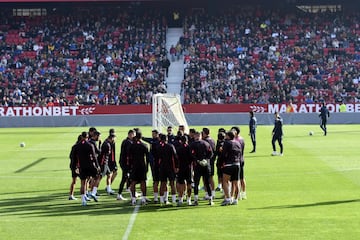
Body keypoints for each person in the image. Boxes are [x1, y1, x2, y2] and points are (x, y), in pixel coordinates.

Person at [189, 131, 214, 206]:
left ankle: (196, 200)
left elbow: (191, 154)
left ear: (195, 136)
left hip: (197, 166)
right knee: (207, 182)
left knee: (196, 183)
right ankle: (210, 199)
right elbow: (211, 153)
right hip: (206, 166)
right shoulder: (206, 143)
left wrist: (197, 160)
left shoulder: (192, 144)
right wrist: (206, 160)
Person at [75, 132, 100, 206]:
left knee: (83, 183)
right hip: (90, 165)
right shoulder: (90, 145)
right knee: (98, 177)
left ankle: (83, 200)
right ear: (87, 137)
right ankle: (93, 192)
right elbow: (94, 156)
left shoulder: (76, 146)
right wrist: (97, 165)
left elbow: (73, 157)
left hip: (81, 166)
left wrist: (75, 167)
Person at [221, 131, 242, 206]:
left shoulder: (227, 143)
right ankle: (236, 199)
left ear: (228, 136)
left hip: (229, 164)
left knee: (225, 181)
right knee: (236, 183)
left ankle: (228, 198)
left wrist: (222, 161)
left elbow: (223, 154)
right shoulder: (238, 143)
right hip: (237, 164)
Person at [128, 130, 149, 206]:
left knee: (133, 182)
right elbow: (148, 158)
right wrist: (147, 167)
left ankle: (133, 199)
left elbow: (129, 157)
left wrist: (129, 166)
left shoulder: (132, 145)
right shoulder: (145, 145)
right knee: (143, 182)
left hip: (134, 166)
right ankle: (143, 199)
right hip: (142, 166)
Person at [158, 134, 178, 205]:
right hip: (170, 168)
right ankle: (174, 201)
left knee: (162, 184)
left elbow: (157, 158)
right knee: (172, 184)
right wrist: (176, 167)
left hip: (162, 167)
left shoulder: (159, 147)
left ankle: (161, 201)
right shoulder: (170, 146)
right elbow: (175, 157)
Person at [142, 129, 161, 203]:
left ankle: (160, 197)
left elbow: (148, 140)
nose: (152, 135)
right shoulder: (153, 140)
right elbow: (146, 139)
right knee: (155, 179)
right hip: (152, 161)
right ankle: (158, 197)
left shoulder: (156, 142)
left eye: (154, 134)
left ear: (157, 134)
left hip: (156, 162)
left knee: (159, 180)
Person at [117, 129, 135, 201]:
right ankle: (119, 194)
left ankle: (131, 192)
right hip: (126, 163)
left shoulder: (125, 141)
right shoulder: (129, 143)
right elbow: (128, 154)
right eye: (134, 135)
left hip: (123, 162)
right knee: (125, 178)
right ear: (130, 135)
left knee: (127, 178)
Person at [174, 135, 192, 206]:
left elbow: (176, 159)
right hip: (188, 167)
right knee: (189, 184)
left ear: (180, 141)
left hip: (181, 168)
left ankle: (181, 199)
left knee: (181, 183)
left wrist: (176, 167)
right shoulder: (190, 148)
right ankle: (189, 200)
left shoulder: (178, 149)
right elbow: (192, 158)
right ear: (187, 140)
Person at [231, 126, 246, 200]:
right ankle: (243, 193)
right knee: (242, 177)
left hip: (237, 160)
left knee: (237, 179)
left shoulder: (236, 140)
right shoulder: (242, 139)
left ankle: (238, 194)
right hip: (242, 159)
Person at [68, 133, 85, 200]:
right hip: (77, 166)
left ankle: (71, 195)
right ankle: (83, 195)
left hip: (75, 166)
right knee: (82, 181)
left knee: (75, 181)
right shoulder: (78, 147)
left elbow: (70, 156)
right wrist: (76, 166)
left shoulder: (75, 146)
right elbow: (73, 157)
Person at [201, 127, 216, 200]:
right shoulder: (212, 140)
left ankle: (207, 193)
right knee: (211, 177)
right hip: (212, 161)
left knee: (205, 178)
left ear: (204, 133)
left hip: (206, 161)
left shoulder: (204, 141)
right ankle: (213, 193)